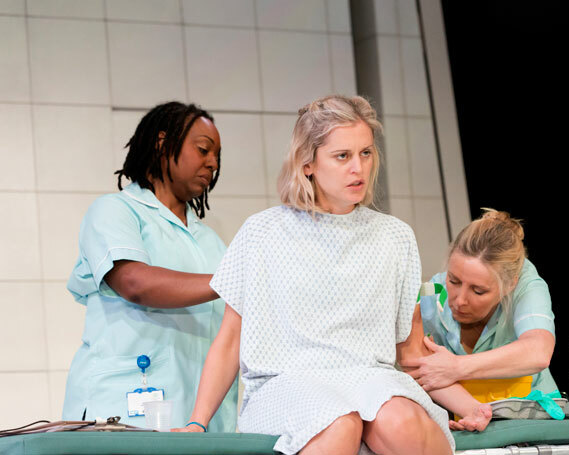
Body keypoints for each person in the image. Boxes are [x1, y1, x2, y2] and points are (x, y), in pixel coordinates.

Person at [174, 95, 490, 454]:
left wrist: (471, 407)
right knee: (338, 420)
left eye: (366, 153)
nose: (359, 168)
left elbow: (410, 351)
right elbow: (229, 341)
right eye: (343, 156)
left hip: (372, 380)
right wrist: (197, 423)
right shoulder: (262, 232)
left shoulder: (395, 237)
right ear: (307, 163)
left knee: (400, 421)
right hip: (286, 385)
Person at [62, 101, 237, 431]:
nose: (212, 163)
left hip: (198, 425)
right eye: (203, 150)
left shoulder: (211, 242)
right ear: (161, 143)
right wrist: (233, 280)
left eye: (217, 156)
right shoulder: (115, 212)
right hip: (120, 413)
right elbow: (134, 283)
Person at [402, 209, 557, 430]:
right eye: (454, 281)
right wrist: (472, 410)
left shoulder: (526, 285)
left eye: (478, 291)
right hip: (463, 419)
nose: (460, 300)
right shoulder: (429, 297)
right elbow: (417, 366)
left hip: (531, 418)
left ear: (510, 284)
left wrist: (456, 367)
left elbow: (538, 352)